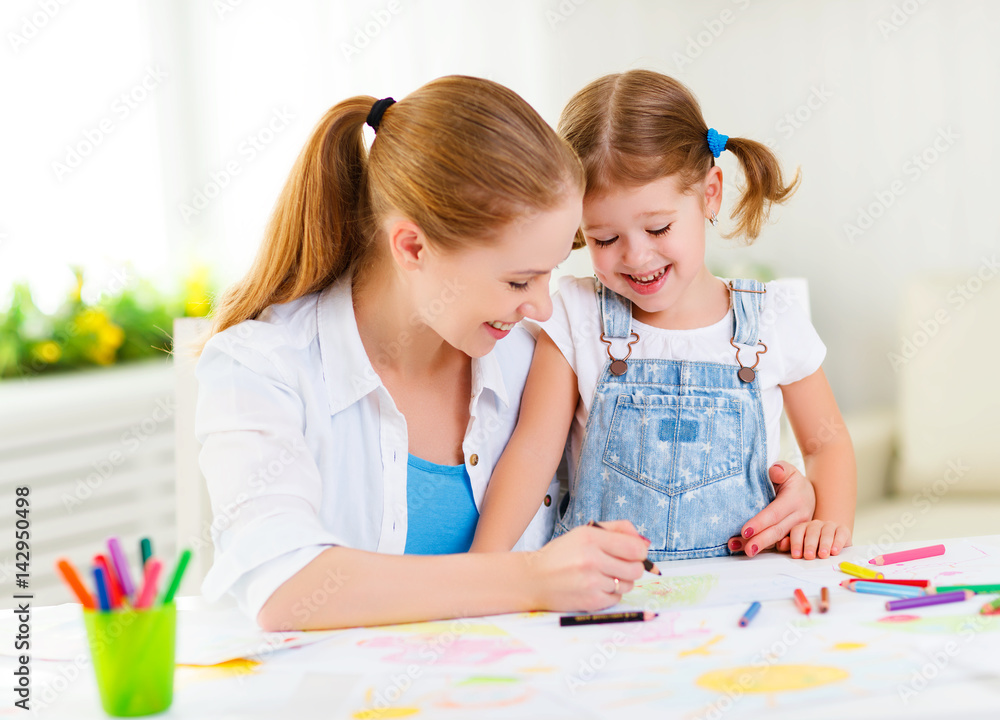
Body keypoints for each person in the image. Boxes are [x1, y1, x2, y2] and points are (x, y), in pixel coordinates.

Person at [195, 76, 655, 631]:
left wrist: (788, 493)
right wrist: (528, 578)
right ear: (413, 247)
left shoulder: (533, 359)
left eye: (551, 272)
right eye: (518, 282)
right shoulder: (263, 368)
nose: (542, 306)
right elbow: (286, 587)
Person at [471, 70, 855, 562]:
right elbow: (531, 453)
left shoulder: (772, 320)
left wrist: (828, 528)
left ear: (710, 193)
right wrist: (484, 566)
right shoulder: (576, 313)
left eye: (658, 227)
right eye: (603, 239)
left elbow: (827, 445)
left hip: (743, 588)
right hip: (608, 596)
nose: (635, 257)